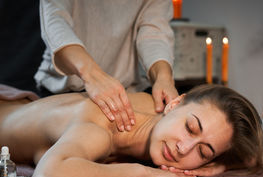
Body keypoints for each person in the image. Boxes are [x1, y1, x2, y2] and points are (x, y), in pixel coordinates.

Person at [0, 83, 263, 177]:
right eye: (191, 128)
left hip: (6, 106)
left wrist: (219, 163)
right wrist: (144, 174)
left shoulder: (154, 108)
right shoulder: (98, 130)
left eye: (202, 152)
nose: (183, 149)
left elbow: (248, 157)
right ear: (175, 103)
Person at [35, 0, 178, 133]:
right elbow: (55, 21)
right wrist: (91, 74)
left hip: (125, 94)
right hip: (61, 90)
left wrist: (163, 77)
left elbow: (154, 34)